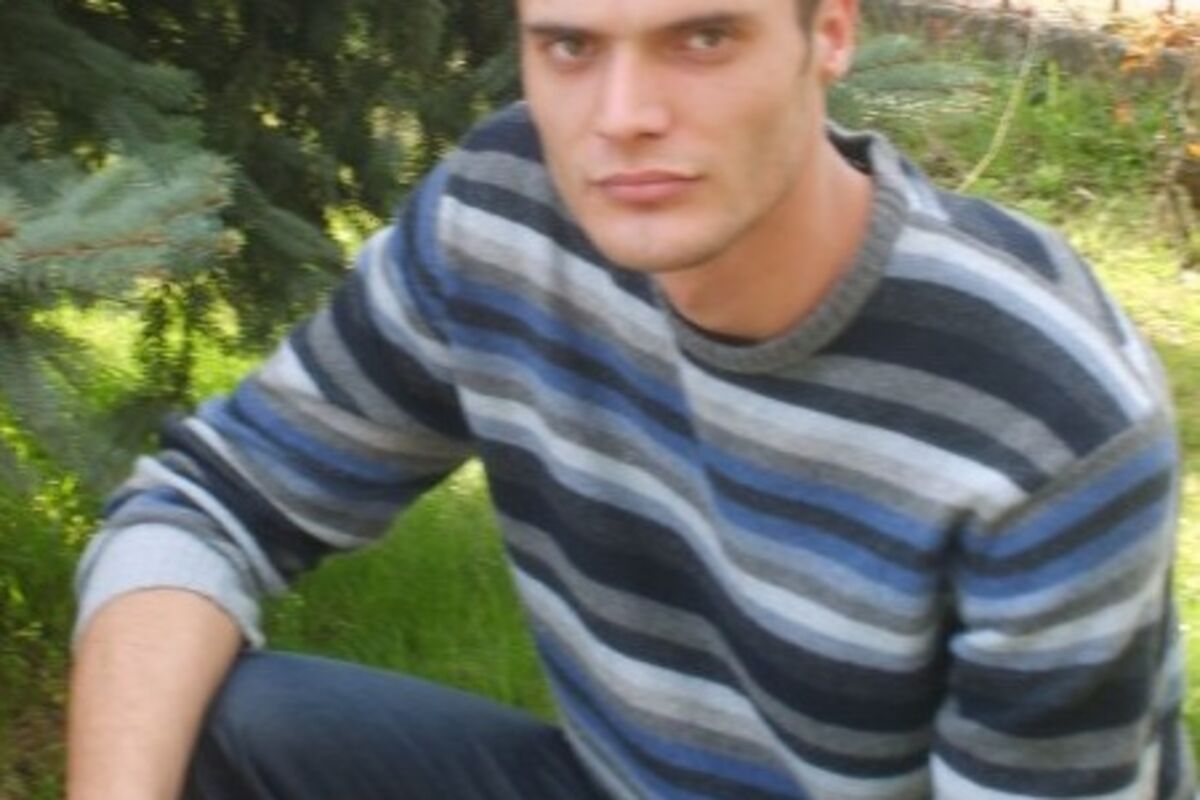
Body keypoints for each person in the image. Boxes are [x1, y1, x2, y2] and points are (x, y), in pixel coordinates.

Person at [66, 0, 1196, 797]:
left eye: (702, 38)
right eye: (570, 45)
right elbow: (208, 505)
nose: (622, 116)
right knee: (211, 720)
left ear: (830, 32)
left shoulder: (1043, 410)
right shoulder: (502, 217)